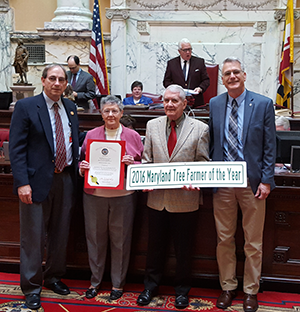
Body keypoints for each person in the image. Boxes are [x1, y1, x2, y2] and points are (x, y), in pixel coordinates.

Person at [9, 64, 84, 310]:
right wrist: (22, 183)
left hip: (65, 180)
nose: (57, 83)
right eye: (52, 78)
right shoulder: (26, 106)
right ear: (43, 80)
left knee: (60, 234)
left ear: (66, 83)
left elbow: (75, 142)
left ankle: (53, 277)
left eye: (61, 79)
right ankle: (31, 286)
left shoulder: (71, 108)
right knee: (33, 236)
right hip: (35, 182)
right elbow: (16, 149)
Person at [209, 57, 276, 312]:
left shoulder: (262, 104)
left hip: (253, 184)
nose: (232, 76)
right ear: (222, 79)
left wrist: (267, 181)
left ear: (244, 75)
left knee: (253, 241)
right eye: (227, 73)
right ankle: (228, 287)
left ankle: (250, 290)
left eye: (236, 72)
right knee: (224, 239)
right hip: (222, 183)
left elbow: (270, 147)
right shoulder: (214, 104)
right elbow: (213, 143)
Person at [136, 84, 209, 309]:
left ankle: (182, 291)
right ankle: (150, 287)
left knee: (184, 249)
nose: (169, 104)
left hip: (185, 200)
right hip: (157, 199)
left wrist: (196, 180)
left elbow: (203, 162)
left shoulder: (200, 128)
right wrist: (145, 180)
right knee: (155, 247)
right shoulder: (152, 125)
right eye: (166, 100)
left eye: (174, 101)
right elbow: (147, 160)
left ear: (184, 103)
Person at [79, 95, 144, 301]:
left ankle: (117, 284)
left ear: (121, 113)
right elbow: (82, 161)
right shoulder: (91, 135)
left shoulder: (133, 136)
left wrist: (132, 164)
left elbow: (144, 163)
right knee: (95, 239)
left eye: (114, 111)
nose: (110, 115)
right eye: (106, 111)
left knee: (121, 241)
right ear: (101, 113)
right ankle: (95, 282)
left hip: (124, 195)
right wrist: (83, 169)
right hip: (95, 195)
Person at [163, 38, 210, 107]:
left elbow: (206, 80)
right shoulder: (172, 63)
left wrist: (200, 88)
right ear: (179, 51)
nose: (188, 52)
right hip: (177, 102)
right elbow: (166, 81)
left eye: (189, 49)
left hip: (196, 102)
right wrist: (175, 90)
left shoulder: (199, 62)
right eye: (185, 50)